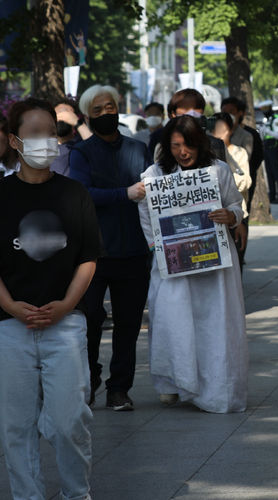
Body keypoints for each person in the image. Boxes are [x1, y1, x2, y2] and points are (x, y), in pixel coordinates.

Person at [0, 98, 100, 500]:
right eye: (34, 133)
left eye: (51, 133)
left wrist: (64, 305)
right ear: (14, 140)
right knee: (16, 426)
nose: (45, 141)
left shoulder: (75, 194)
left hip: (66, 325)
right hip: (11, 327)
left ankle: (77, 494)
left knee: (69, 420)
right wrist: (8, 305)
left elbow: (89, 257)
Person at [138, 115, 249, 413]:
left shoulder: (218, 170)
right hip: (173, 266)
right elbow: (146, 212)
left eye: (188, 145)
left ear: (200, 144)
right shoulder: (155, 174)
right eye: (175, 146)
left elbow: (235, 204)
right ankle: (172, 383)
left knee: (215, 324)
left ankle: (215, 386)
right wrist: (156, 246)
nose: (183, 152)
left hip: (214, 266)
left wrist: (231, 216)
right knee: (174, 323)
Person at [69, 84, 151, 412]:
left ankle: (120, 388)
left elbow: (153, 189)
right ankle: (88, 381)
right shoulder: (81, 152)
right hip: (94, 254)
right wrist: (124, 194)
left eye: (111, 107)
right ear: (88, 115)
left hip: (134, 250)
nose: (106, 113)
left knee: (128, 325)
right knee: (88, 322)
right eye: (98, 110)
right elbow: (82, 194)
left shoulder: (137, 148)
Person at [211, 112, 252, 272]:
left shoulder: (239, 152)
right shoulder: (207, 150)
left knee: (235, 263)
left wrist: (227, 182)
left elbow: (246, 180)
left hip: (236, 214)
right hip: (213, 217)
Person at [147, 89, 226, 165]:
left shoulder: (215, 144)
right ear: (173, 114)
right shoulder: (162, 146)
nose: (192, 112)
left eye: (196, 108)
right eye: (186, 108)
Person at [50, 97, 92, 176]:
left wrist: (78, 124)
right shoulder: (43, 146)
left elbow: (97, 152)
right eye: (58, 113)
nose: (62, 117)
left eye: (67, 114)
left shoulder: (82, 144)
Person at [257, 100, 278, 204]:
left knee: (276, 172)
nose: (264, 111)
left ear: (269, 108)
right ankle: (272, 196)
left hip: (274, 148)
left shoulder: (276, 119)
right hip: (267, 148)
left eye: (265, 109)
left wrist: (267, 131)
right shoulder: (267, 119)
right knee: (269, 173)